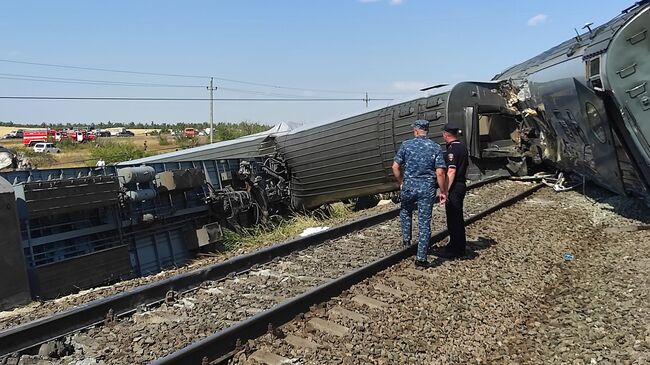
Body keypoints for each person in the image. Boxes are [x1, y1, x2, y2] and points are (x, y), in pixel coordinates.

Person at [392, 119, 448, 268]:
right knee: (424, 222)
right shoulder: (435, 147)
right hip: (426, 188)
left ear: (416, 131)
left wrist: (401, 182)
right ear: (426, 130)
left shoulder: (406, 145)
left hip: (409, 186)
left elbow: (395, 167)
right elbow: (441, 172)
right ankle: (421, 258)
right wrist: (443, 191)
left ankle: (406, 240)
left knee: (405, 211)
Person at [436, 123, 469, 259]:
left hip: (454, 187)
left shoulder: (452, 150)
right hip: (461, 184)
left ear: (446, 135)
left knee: (454, 218)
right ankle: (459, 246)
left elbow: (451, 170)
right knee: (457, 218)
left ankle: (455, 249)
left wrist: (445, 190)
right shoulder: (462, 147)